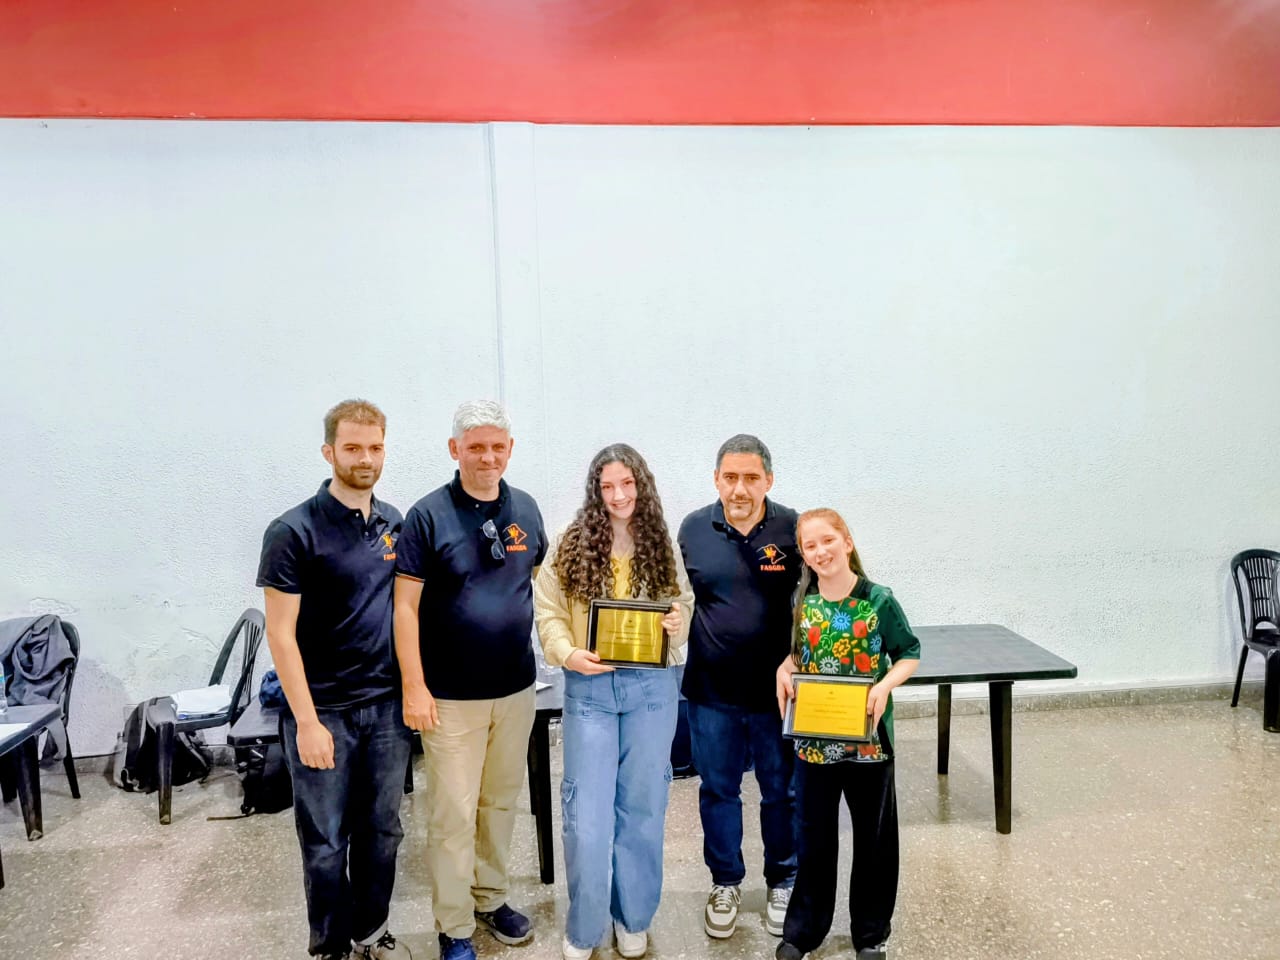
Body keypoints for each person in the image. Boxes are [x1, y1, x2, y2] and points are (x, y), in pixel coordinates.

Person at [257, 398, 412, 960]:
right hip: (323, 712)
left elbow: (407, 610)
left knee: (383, 832)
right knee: (325, 842)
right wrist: (306, 722)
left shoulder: (395, 522)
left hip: (387, 711)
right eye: (352, 447)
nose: (365, 458)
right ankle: (329, 946)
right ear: (329, 452)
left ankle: (372, 932)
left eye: (374, 447)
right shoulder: (293, 530)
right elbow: (280, 634)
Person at [392, 400, 546, 960]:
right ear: (455, 449)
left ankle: (491, 897)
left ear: (510, 449)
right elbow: (404, 607)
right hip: (450, 698)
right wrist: (414, 685)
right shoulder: (427, 515)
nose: (487, 457)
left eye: (497, 446)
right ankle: (454, 927)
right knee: (452, 814)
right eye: (475, 446)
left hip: (516, 689)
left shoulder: (526, 509)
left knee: (500, 803)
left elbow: (529, 582)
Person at [533, 444, 694, 960]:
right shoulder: (570, 542)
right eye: (607, 486)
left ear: (641, 485)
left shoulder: (660, 543)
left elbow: (683, 603)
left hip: (652, 689)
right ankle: (584, 926)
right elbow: (548, 609)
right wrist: (566, 653)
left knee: (643, 805)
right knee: (587, 812)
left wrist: (675, 622)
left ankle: (633, 918)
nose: (618, 495)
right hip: (591, 689)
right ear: (595, 490)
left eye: (627, 484)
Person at [774, 509, 921, 960]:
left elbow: (909, 653)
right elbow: (798, 656)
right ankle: (803, 931)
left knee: (873, 840)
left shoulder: (878, 600)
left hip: (868, 744)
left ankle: (870, 933)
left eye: (827, 541)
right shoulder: (804, 602)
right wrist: (785, 668)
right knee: (813, 838)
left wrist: (883, 686)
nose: (821, 552)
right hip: (815, 744)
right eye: (810, 546)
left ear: (847, 542)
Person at [678, 435, 801, 938]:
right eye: (730, 477)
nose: (740, 488)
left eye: (751, 478)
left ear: (768, 480)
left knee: (781, 793)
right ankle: (725, 881)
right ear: (716, 480)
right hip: (711, 692)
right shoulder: (692, 529)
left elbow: (815, 601)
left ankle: (784, 879)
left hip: (780, 697)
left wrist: (797, 657)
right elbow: (674, 597)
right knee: (718, 791)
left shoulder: (793, 528)